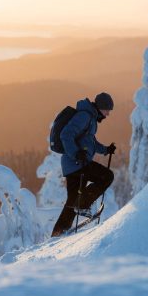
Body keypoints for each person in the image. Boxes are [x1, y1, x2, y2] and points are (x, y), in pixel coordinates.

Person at [51, 92, 116, 237]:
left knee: (72, 201)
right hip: (77, 163)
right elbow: (66, 135)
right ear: (100, 107)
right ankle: (83, 205)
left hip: (72, 165)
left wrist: (106, 149)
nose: (108, 114)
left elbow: (90, 142)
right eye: (107, 110)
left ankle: (58, 232)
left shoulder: (90, 117)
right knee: (107, 176)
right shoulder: (85, 116)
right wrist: (76, 153)